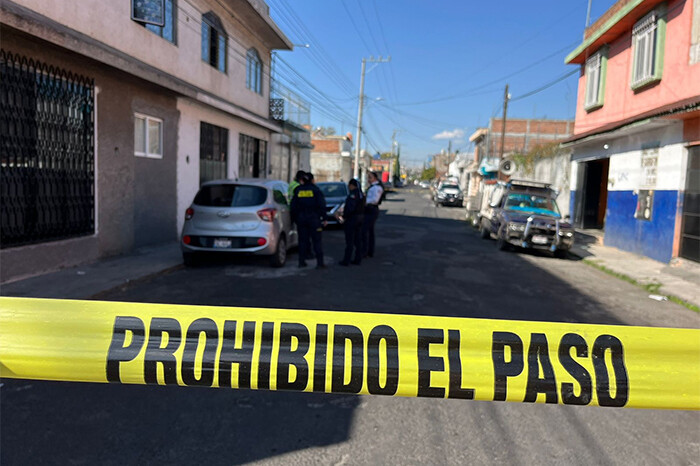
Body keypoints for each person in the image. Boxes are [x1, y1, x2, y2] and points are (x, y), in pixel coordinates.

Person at [291, 172, 327, 269]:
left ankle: (301, 262)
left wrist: (294, 219)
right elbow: (322, 205)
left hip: (301, 220)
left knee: (302, 241)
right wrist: (324, 218)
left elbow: (293, 206)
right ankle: (320, 263)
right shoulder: (316, 190)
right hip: (314, 220)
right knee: (317, 241)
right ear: (312, 180)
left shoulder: (298, 190)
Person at [339, 179, 364, 266]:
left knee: (350, 241)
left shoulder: (353, 194)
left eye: (349, 185)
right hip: (360, 218)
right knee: (358, 240)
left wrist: (344, 216)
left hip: (352, 219)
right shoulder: (361, 194)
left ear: (352, 185)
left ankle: (347, 260)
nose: (349, 187)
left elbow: (350, 207)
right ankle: (358, 259)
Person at [362, 171, 384, 258]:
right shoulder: (372, 187)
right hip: (368, 209)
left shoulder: (377, 188)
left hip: (371, 209)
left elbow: (375, 200)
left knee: (364, 231)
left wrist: (364, 202)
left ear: (375, 178)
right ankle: (369, 251)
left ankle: (365, 251)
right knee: (370, 231)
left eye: (370, 177)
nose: (368, 179)